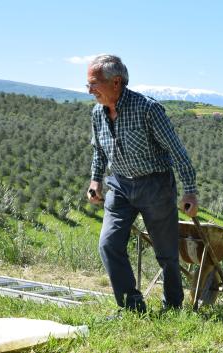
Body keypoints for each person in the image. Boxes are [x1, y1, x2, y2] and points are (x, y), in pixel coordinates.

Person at [85, 54, 198, 314]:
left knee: (166, 253)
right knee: (109, 244)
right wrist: (96, 180)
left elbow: (177, 151)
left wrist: (189, 190)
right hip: (120, 187)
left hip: (155, 186)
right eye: (87, 85)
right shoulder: (97, 113)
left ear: (116, 82)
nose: (90, 90)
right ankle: (132, 306)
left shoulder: (148, 109)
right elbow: (98, 152)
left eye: (94, 84)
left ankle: (173, 306)